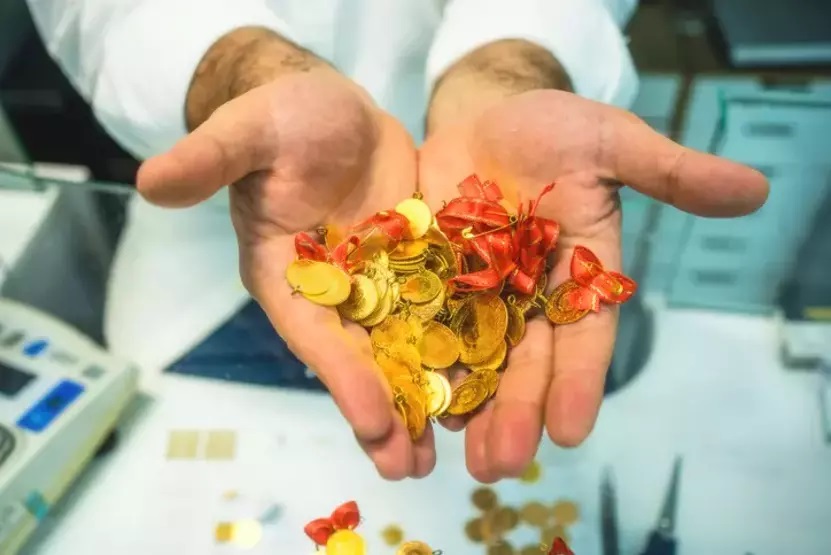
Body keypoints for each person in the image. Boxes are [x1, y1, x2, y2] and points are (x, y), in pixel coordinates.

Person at [27, 0, 768, 483]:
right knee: (178, 480)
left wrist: (511, 63)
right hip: (213, 256)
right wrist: (242, 71)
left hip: (510, 179)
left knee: (484, 460)